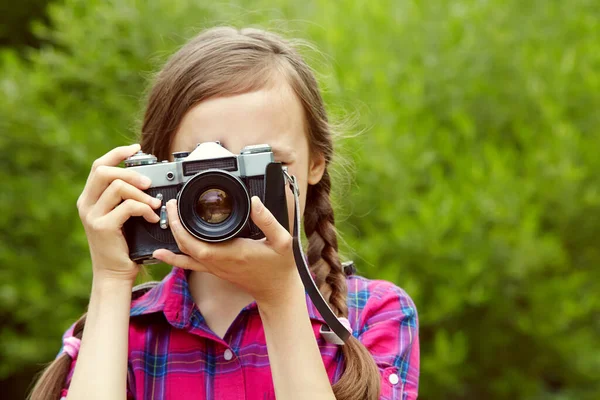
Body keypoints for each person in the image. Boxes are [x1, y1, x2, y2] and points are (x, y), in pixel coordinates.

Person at [29, 27, 419, 400]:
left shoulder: (374, 315)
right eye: (204, 168)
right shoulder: (116, 330)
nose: (227, 194)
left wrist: (279, 296)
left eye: (263, 163)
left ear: (315, 164)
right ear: (156, 175)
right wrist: (111, 280)